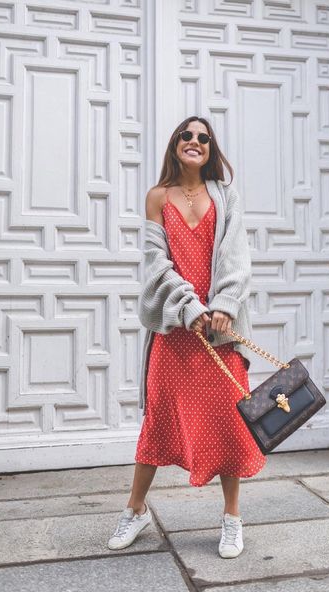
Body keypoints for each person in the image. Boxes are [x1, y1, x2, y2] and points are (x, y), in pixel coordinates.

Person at [107, 115, 266, 558]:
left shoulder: (226, 195)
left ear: (211, 149)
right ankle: (135, 510)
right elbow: (157, 266)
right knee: (157, 420)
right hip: (175, 332)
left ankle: (232, 518)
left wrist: (222, 308)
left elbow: (238, 259)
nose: (194, 141)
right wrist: (190, 309)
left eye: (203, 137)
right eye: (186, 135)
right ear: (175, 144)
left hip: (220, 332)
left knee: (230, 424)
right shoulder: (158, 197)